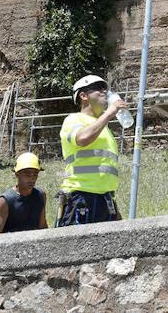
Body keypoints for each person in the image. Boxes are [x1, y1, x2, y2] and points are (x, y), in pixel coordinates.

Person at [56, 74, 129, 226]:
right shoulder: (73, 119)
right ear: (83, 95)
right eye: (98, 88)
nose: (104, 92)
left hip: (105, 198)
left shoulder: (103, 126)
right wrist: (109, 113)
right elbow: (82, 138)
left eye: (105, 88)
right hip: (81, 197)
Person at [0, 152, 48, 233]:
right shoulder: (5, 201)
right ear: (17, 174)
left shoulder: (40, 196)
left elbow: (42, 226)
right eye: (27, 174)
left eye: (35, 174)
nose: (32, 179)